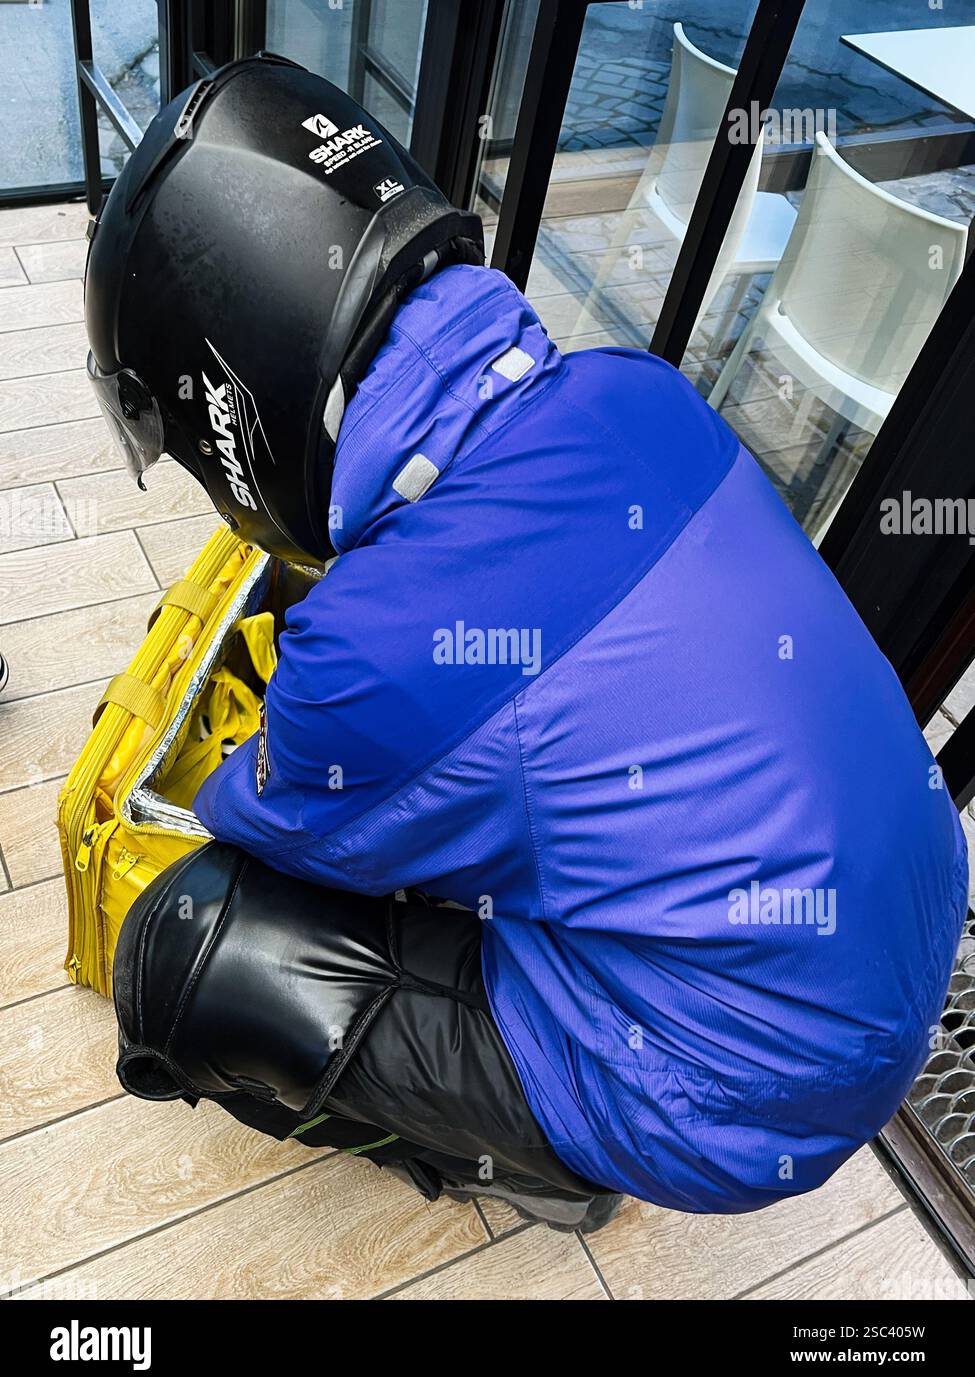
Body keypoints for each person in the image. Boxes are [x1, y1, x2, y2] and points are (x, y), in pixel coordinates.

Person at [85, 55, 968, 1230]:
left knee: (187, 946)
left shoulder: (379, 651)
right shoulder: (634, 391)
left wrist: (292, 720)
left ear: (228, 390)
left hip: (742, 1093)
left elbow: (261, 818)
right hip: (909, 928)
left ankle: (551, 1159)